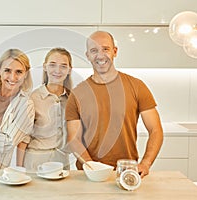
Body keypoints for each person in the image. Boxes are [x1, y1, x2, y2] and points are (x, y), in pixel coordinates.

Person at [65, 31, 163, 178]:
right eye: (94, 50)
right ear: (88, 56)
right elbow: (74, 139)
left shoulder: (136, 86)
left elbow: (155, 130)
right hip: (88, 174)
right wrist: (93, 167)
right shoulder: (77, 94)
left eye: (105, 49)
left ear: (115, 51)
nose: (100, 55)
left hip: (125, 172)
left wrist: (146, 163)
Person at [23, 48, 73, 172]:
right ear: (45, 67)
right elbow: (24, 138)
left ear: (69, 70)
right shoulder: (32, 98)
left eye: (63, 66)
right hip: (36, 161)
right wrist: (20, 169)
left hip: (62, 161)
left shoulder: (72, 99)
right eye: (52, 65)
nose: (57, 70)